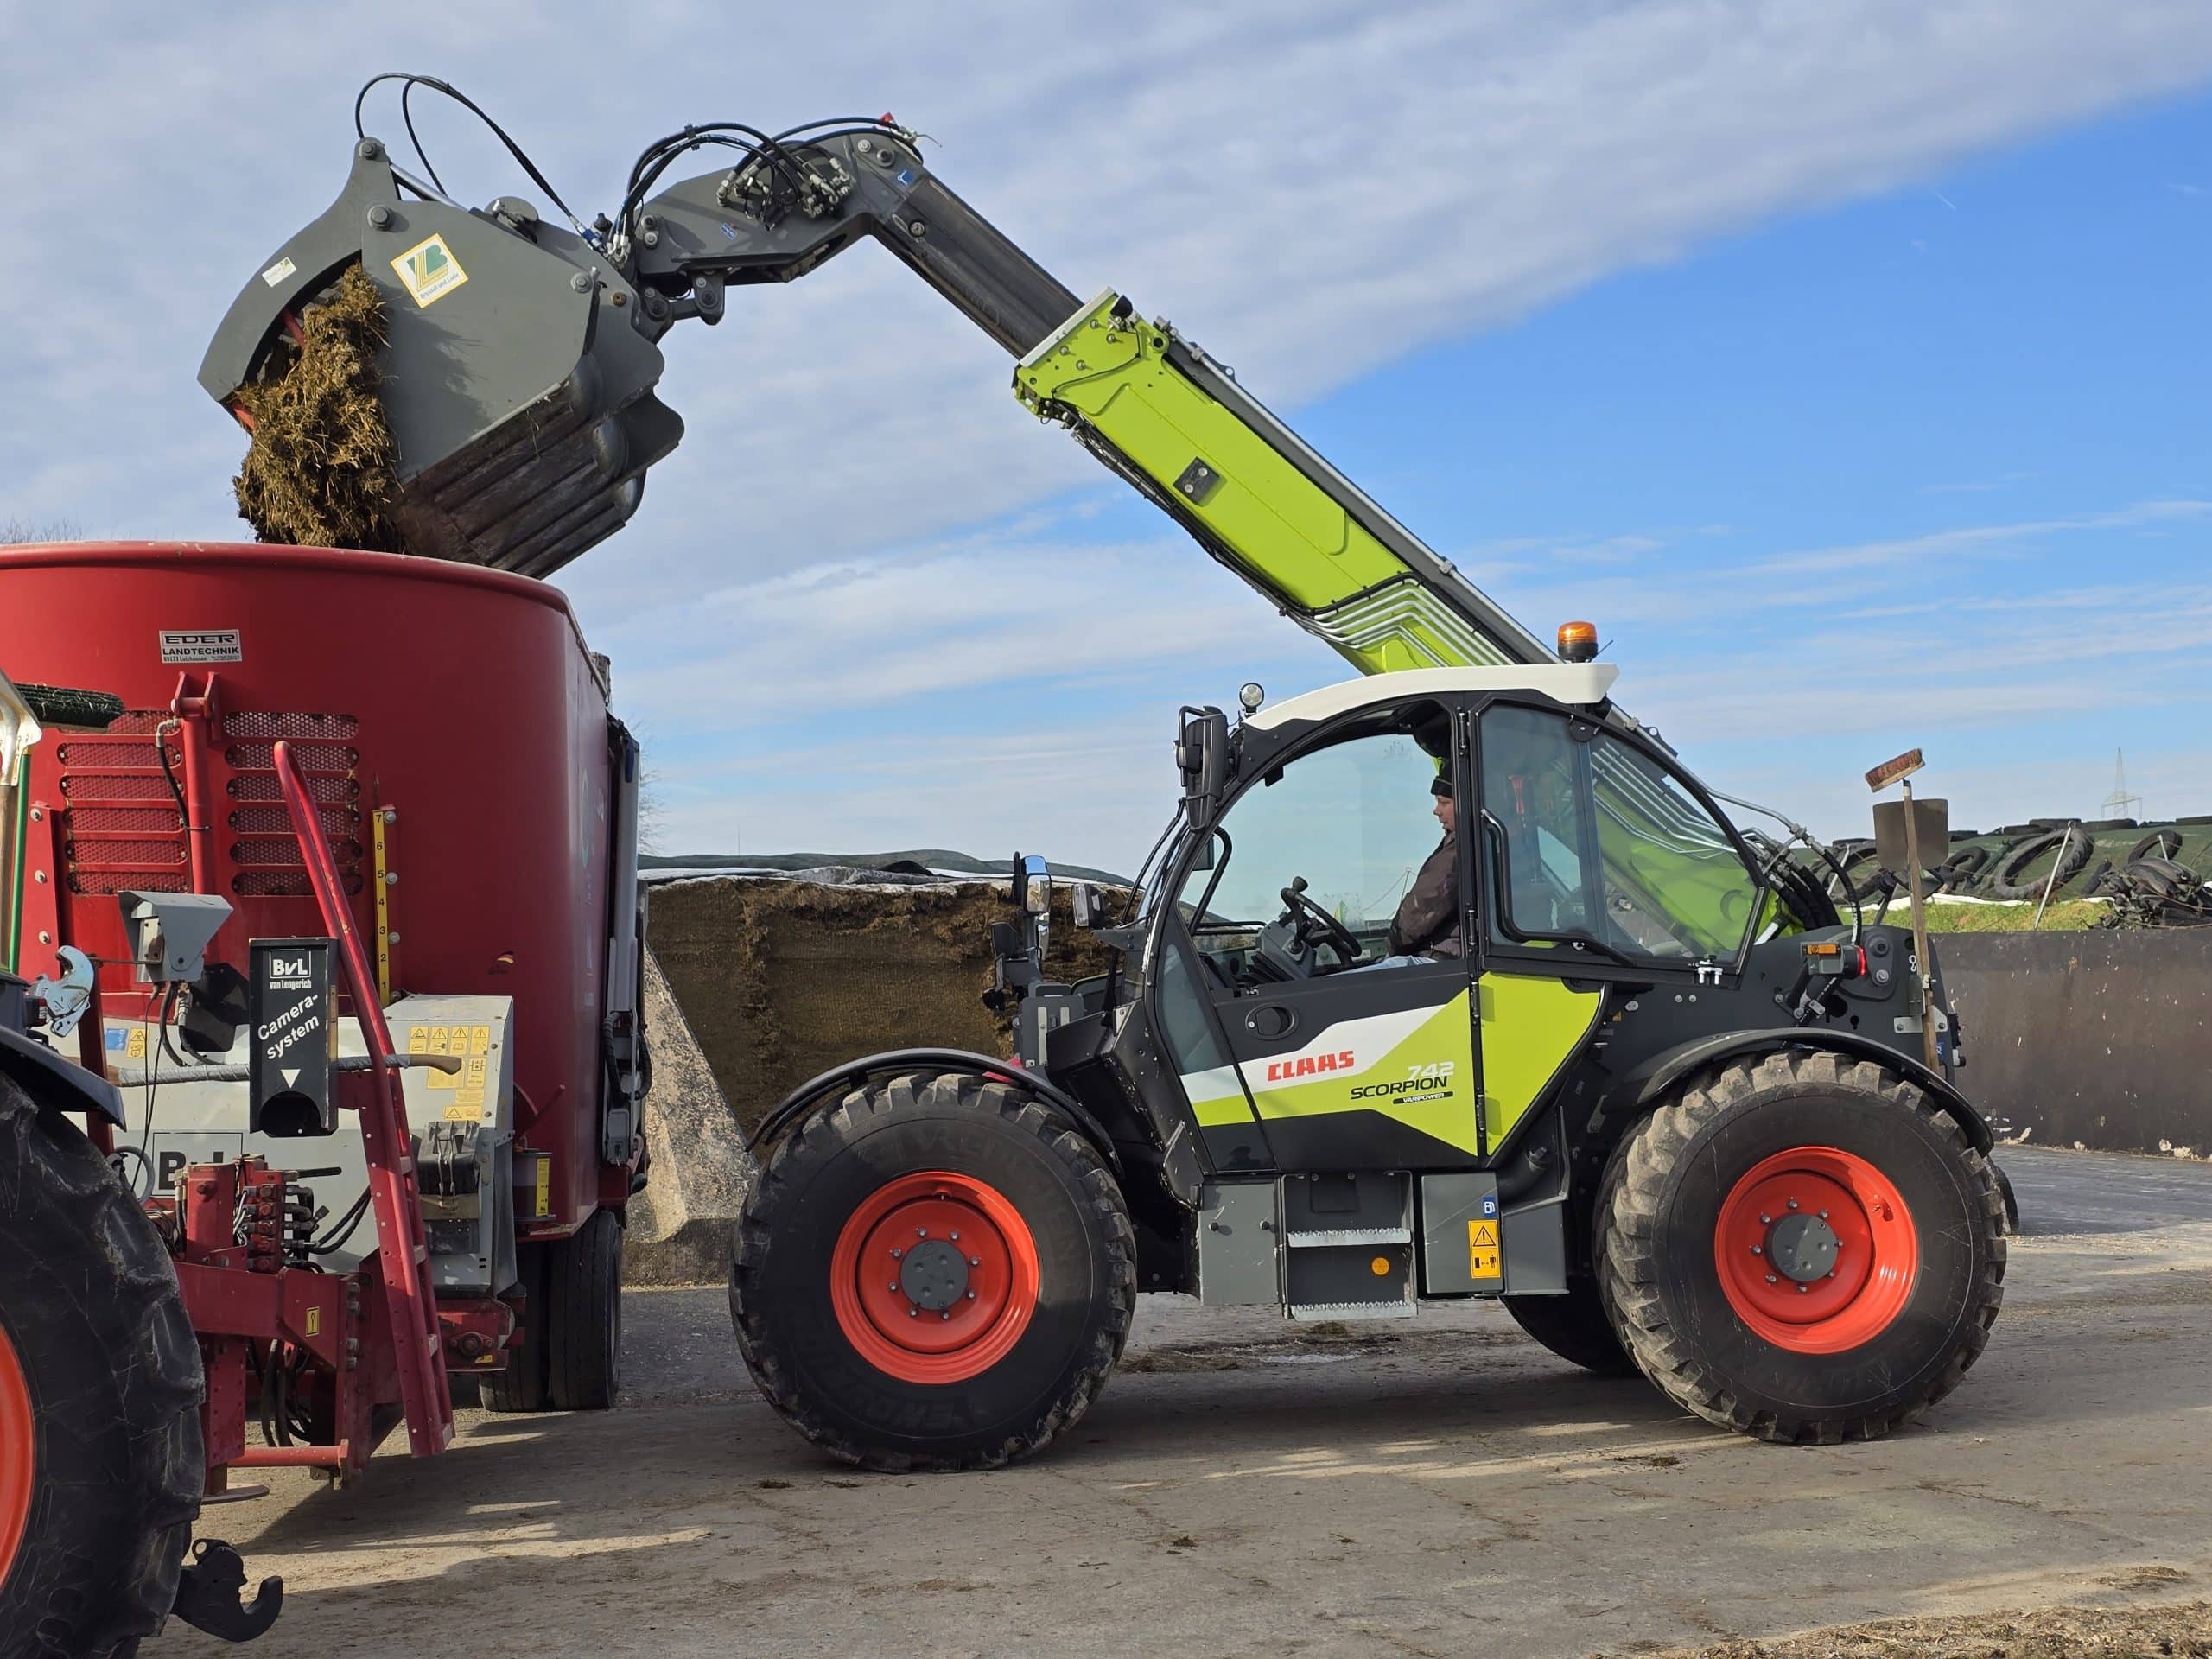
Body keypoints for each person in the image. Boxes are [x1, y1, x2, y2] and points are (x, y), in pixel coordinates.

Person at [1382, 772, 1461, 961]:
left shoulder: (1461, 850)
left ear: (1466, 803)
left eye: (1444, 802)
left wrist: (1392, 948)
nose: (1436, 810)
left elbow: (1421, 908)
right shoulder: (1464, 842)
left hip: (1442, 959)